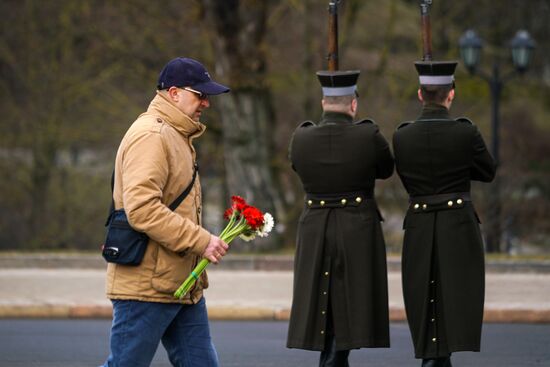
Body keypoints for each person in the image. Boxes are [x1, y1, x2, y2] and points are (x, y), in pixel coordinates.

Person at [101, 57, 230, 367]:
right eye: (200, 94)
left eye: (207, 96)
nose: (206, 103)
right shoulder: (153, 136)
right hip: (147, 285)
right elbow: (142, 209)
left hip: (180, 283)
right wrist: (201, 240)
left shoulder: (175, 135)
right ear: (173, 93)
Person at [392, 61, 497, 367]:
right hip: (458, 224)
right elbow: (487, 171)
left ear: (420, 95)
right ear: (451, 94)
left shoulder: (402, 136)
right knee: (455, 298)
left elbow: (406, 176)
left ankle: (433, 359)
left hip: (420, 223)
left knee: (424, 298)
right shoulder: (465, 132)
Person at [286, 70, 394, 366]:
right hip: (357, 226)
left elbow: (296, 165)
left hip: (315, 226)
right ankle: (334, 360)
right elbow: (386, 169)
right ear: (354, 105)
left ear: (323, 102)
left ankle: (332, 358)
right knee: (349, 303)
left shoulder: (301, 136)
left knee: (323, 299)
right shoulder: (369, 135)